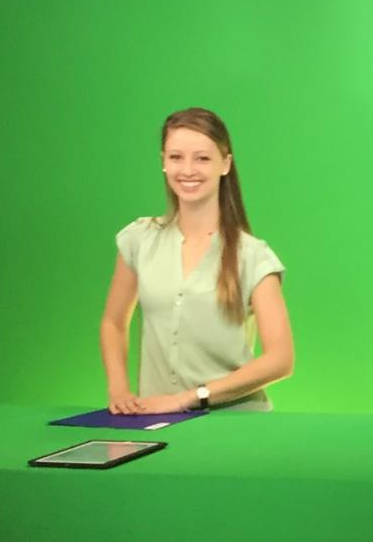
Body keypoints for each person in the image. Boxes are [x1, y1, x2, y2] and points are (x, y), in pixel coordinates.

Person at [99, 108, 294, 413]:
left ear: (225, 164)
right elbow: (113, 322)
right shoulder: (139, 238)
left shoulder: (253, 256)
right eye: (176, 157)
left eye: (202, 158)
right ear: (163, 161)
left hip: (238, 429)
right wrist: (119, 390)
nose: (187, 169)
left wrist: (189, 398)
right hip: (156, 423)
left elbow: (280, 360)